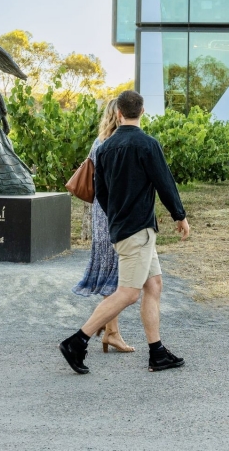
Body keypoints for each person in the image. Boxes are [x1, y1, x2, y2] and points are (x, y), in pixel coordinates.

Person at [59, 90, 190, 375]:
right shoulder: (148, 144)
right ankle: (77, 342)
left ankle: (157, 353)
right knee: (129, 294)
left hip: (124, 228)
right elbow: (164, 182)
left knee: (153, 285)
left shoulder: (105, 147)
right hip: (138, 231)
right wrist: (179, 216)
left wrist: (116, 217)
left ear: (118, 113)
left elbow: (101, 195)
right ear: (142, 112)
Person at [72, 99, 134, 353]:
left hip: (100, 211)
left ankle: (108, 326)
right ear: (121, 115)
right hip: (113, 212)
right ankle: (111, 331)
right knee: (117, 275)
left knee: (113, 271)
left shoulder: (99, 142)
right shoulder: (117, 144)